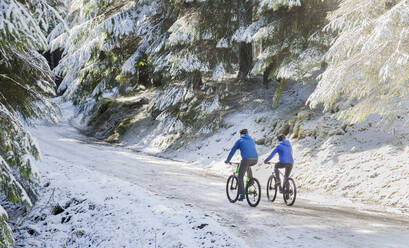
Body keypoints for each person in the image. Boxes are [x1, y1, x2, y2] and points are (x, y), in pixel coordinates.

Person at [225, 129, 258, 201]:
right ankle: (251, 180)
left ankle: (242, 194)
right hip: (255, 159)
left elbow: (232, 151)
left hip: (246, 159)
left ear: (240, 134)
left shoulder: (240, 140)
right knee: (247, 165)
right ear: (247, 133)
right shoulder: (251, 140)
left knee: (240, 177)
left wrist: (228, 160)